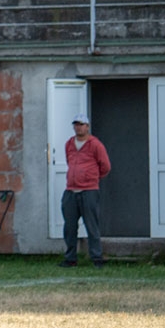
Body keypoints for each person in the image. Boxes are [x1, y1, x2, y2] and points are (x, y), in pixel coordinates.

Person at [59, 113, 111, 268]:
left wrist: (92, 178)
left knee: (91, 226)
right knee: (69, 227)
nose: (78, 127)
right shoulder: (69, 144)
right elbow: (69, 162)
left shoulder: (95, 145)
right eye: (76, 124)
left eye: (81, 124)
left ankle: (96, 258)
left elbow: (106, 166)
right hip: (71, 190)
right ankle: (70, 258)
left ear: (87, 126)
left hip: (89, 191)